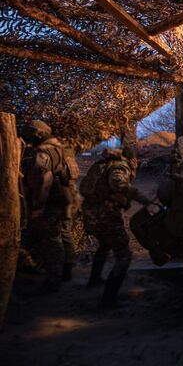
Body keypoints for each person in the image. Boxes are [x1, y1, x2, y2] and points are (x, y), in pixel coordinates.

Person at [80, 146, 150, 308]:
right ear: (132, 159)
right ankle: (108, 299)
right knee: (124, 255)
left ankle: (94, 280)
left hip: (91, 213)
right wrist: (141, 198)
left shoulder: (103, 164)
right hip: (106, 215)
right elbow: (118, 183)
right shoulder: (120, 166)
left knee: (104, 245)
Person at [22, 120, 80, 294]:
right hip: (67, 199)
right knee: (65, 234)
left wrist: (38, 206)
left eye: (29, 134)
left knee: (51, 241)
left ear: (37, 134)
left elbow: (44, 180)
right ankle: (67, 273)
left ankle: (53, 281)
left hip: (51, 202)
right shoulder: (63, 148)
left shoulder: (43, 151)